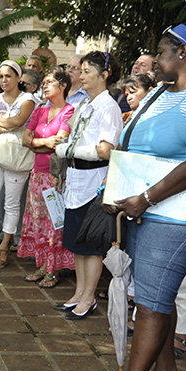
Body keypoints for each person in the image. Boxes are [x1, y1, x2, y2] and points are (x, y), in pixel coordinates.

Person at [95, 22, 186, 371]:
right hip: (146, 210)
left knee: (149, 303)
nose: (156, 58)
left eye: (163, 51)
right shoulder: (161, 94)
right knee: (157, 293)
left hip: (182, 215)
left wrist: (145, 197)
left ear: (182, 52)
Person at [53, 51, 124, 321]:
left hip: (93, 181)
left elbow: (105, 150)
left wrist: (68, 149)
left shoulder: (108, 107)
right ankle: (79, 292)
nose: (80, 76)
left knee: (90, 244)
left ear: (104, 75)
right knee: (75, 242)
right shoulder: (87, 104)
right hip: (76, 178)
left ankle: (89, 296)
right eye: (80, 71)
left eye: (87, 71)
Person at [0, 60, 37, 268]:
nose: (4, 80)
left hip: (16, 157)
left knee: (11, 203)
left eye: (8, 76)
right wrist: (4, 124)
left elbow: (19, 122)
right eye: (1, 76)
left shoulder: (27, 99)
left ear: (19, 78)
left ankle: (4, 246)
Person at [19, 67, 75, 288]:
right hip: (36, 174)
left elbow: (59, 143)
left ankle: (53, 268)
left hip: (54, 176)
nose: (45, 85)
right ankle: (42, 264)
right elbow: (25, 139)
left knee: (54, 222)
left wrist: (36, 143)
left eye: (50, 81)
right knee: (37, 222)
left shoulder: (69, 111)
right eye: (44, 82)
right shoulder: (41, 110)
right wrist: (42, 144)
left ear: (63, 86)